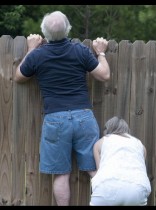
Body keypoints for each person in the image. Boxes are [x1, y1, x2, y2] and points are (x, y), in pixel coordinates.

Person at [14, 11, 110, 206]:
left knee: (61, 174)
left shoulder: (38, 55)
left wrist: (31, 49)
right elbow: (104, 75)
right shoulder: (80, 51)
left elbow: (18, 77)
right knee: (95, 170)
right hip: (84, 116)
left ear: (43, 32)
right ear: (68, 29)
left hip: (55, 119)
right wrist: (100, 52)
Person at [90, 116, 151, 206]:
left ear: (107, 129)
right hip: (137, 189)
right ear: (126, 130)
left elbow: (100, 171)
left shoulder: (100, 143)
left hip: (106, 188)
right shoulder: (140, 145)